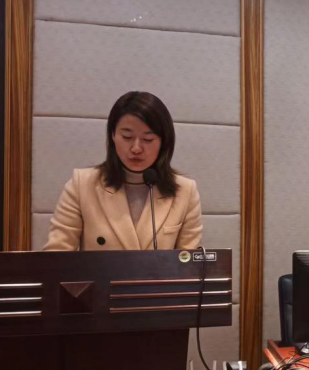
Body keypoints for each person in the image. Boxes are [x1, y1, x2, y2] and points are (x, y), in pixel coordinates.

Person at [44, 91, 202, 251]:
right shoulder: (82, 185)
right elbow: (56, 256)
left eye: (148, 139)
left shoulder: (185, 191)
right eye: (127, 137)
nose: (136, 148)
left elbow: (189, 261)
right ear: (113, 135)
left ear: (164, 142)